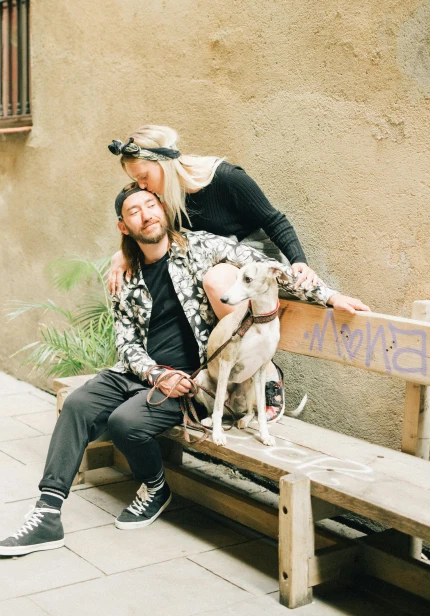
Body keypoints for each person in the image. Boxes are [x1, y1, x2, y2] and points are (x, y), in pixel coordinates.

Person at [0, 185, 369, 557]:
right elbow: (126, 343)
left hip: (194, 380)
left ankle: (155, 488)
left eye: (150, 205)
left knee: (127, 422)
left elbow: (273, 272)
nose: (146, 214)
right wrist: (154, 373)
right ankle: (46, 513)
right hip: (142, 372)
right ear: (124, 226)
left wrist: (330, 296)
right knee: (77, 405)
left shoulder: (202, 248)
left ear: (163, 209)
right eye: (134, 211)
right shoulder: (123, 274)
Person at [108, 125, 322, 421]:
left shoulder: (225, 179)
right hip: (219, 257)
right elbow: (157, 233)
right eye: (136, 182)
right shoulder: (167, 195)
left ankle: (268, 368)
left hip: (250, 259)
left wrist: (300, 263)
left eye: (143, 177)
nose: (142, 187)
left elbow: (275, 220)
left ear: (163, 162)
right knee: (205, 280)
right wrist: (124, 253)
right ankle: (230, 382)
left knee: (216, 278)